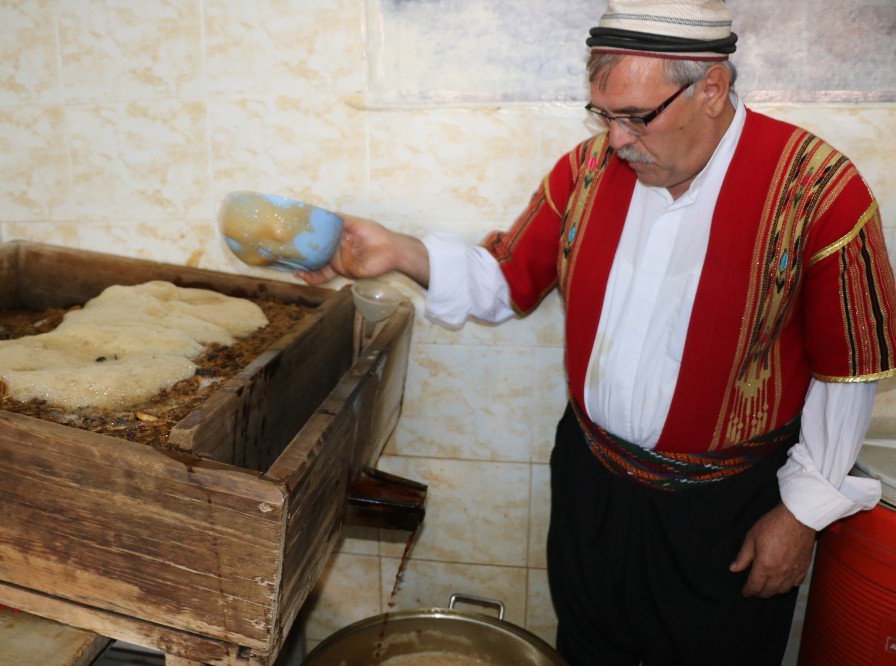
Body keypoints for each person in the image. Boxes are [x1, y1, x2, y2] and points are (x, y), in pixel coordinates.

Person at [302, 1, 896, 663]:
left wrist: (801, 514)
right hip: (593, 483)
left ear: (713, 89)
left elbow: (849, 371)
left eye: (636, 117)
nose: (616, 140)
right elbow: (506, 279)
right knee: (589, 651)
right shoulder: (585, 173)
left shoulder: (818, 190)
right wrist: (398, 252)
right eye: (603, 115)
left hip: (726, 511)